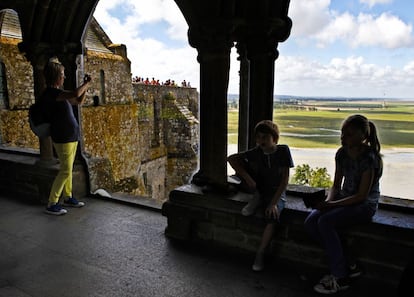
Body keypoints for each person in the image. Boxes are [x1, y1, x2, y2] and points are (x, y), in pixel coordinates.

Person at [304, 114, 382, 294]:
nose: (343, 138)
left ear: (363, 136)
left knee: (325, 222)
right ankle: (350, 263)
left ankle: (340, 276)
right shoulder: (342, 153)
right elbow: (336, 184)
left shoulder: (369, 158)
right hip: (343, 200)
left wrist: (331, 206)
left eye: (349, 134)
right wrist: (328, 201)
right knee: (310, 223)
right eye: (342, 133)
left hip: (364, 205)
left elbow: (362, 196)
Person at [227, 120, 294, 271]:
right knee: (244, 164)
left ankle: (260, 253)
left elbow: (284, 181)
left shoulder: (283, 151)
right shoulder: (256, 152)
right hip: (260, 187)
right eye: (258, 137)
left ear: (274, 138)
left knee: (272, 217)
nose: (260, 141)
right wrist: (248, 178)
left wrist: (274, 203)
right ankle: (257, 197)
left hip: (277, 192)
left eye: (265, 137)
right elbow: (231, 159)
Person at [41, 57, 92, 215]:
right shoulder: (52, 93)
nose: (64, 76)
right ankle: (52, 203)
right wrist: (87, 84)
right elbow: (76, 92)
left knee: (68, 169)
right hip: (63, 138)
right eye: (62, 74)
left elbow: (77, 100)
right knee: (64, 170)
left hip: (70, 137)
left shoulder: (59, 95)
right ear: (56, 76)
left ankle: (68, 196)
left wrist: (86, 88)